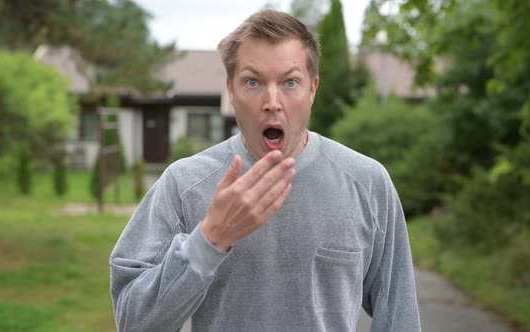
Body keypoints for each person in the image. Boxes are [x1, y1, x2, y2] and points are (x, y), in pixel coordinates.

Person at [110, 9, 421, 332]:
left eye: (290, 82)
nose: (272, 101)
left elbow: (399, 319)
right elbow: (133, 323)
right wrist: (210, 239)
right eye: (253, 82)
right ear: (230, 91)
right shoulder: (184, 183)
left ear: (312, 89)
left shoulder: (368, 183)